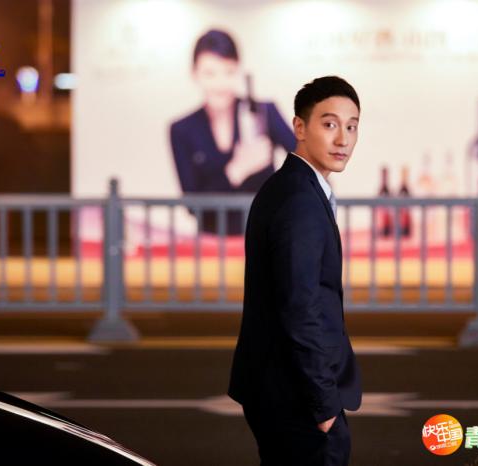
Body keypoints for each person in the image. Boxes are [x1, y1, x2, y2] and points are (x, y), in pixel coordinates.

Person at [228, 76, 363, 466]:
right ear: (299, 127)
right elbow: (299, 309)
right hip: (295, 396)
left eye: (352, 126)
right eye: (329, 124)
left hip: (282, 389)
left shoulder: (291, 186)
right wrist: (323, 408)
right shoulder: (299, 201)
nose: (343, 139)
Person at [169, 29, 296, 235]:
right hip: (214, 244)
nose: (220, 83)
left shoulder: (264, 112)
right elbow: (192, 205)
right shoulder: (182, 129)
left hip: (268, 239)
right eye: (210, 73)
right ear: (195, 74)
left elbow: (311, 168)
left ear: (238, 70)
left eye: (228, 72)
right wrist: (237, 169)